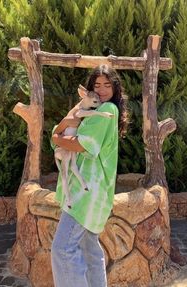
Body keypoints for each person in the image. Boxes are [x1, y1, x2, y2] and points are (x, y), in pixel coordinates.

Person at [51, 64, 128, 287]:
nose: (102, 90)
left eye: (107, 85)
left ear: (115, 88)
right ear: (90, 88)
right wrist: (59, 135)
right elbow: (63, 130)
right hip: (93, 193)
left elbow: (82, 144)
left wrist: (57, 138)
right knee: (89, 249)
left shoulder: (109, 111)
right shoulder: (93, 109)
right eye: (97, 85)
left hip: (85, 194)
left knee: (63, 249)